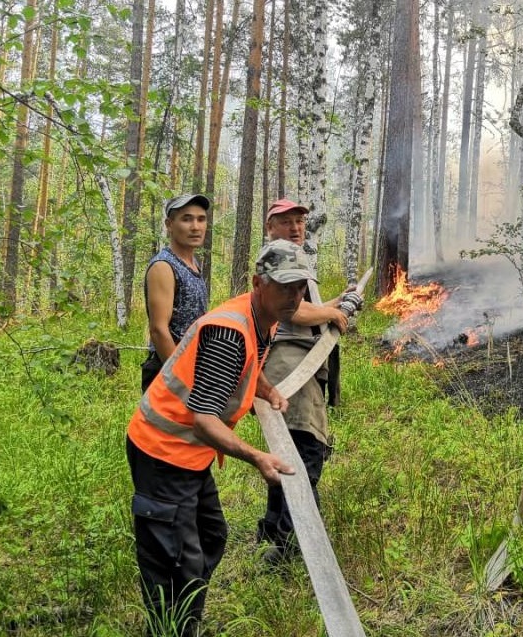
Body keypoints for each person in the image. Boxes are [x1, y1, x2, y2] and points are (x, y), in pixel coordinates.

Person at [126, 239, 314, 636]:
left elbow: (250, 363)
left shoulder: (265, 316)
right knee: (177, 563)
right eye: (285, 286)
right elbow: (203, 421)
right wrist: (258, 457)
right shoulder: (229, 332)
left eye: (300, 286)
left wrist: (265, 388)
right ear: (258, 282)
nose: (294, 297)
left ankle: (183, 622)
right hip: (164, 451)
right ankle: (170, 628)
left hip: (190, 456)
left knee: (211, 537)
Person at [256, 199, 363, 565]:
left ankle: (274, 526)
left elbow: (307, 307)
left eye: (299, 222)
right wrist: (334, 311)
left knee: (288, 449)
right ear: (271, 226)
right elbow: (293, 312)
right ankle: (290, 546)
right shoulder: (276, 256)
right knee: (304, 451)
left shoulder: (295, 258)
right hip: (290, 368)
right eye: (286, 222)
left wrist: (338, 301)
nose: (295, 228)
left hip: (303, 365)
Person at [141, 193, 210, 393]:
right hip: (168, 370)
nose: (195, 227)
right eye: (186, 219)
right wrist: (182, 379)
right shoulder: (163, 266)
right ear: (169, 225)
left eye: (201, 219)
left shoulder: (193, 263)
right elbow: (158, 330)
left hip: (192, 366)